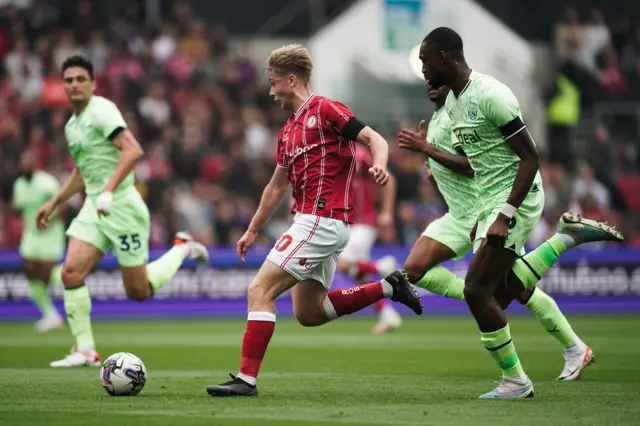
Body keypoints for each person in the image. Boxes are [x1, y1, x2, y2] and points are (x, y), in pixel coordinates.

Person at [205, 44, 422, 397]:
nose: (272, 91)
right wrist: (252, 229)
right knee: (311, 313)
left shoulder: (325, 109)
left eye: (274, 83)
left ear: (292, 80)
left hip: (319, 220)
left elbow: (373, 138)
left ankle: (246, 379)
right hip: (319, 223)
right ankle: (388, 286)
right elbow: (276, 187)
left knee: (259, 291)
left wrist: (380, 162)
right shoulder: (288, 132)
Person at [418, 28, 623, 399]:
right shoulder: (453, 104)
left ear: (444, 57)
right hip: (489, 201)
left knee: (476, 291)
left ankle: (515, 381)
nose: (422, 69)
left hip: (518, 198)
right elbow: (480, 164)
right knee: (497, 292)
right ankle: (564, 240)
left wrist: (504, 215)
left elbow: (530, 157)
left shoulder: (492, 95)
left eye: (424, 61)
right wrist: (482, 212)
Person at [36, 55, 209, 368]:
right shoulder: (73, 125)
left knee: (138, 291)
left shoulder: (101, 110)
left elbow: (133, 150)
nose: (74, 85)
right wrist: (56, 200)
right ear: (63, 85)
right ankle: (85, 349)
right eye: (69, 80)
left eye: (80, 79)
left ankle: (182, 249)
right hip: (94, 205)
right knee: (70, 272)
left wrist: (107, 190)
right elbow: (83, 170)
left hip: (121, 206)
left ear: (93, 83)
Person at [337, 147, 402, 334]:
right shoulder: (330, 157)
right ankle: (388, 315)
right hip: (344, 224)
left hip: (363, 222)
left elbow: (389, 181)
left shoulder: (360, 155)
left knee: (343, 265)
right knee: (360, 276)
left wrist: (386, 212)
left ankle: (383, 267)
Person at [12, 150, 65, 332]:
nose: (25, 165)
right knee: (29, 269)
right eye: (22, 162)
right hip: (31, 234)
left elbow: (62, 204)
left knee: (45, 274)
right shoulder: (18, 184)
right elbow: (18, 207)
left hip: (50, 232)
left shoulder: (47, 182)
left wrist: (51, 221)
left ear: (35, 164)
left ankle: (68, 275)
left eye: (28, 162)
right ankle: (50, 315)